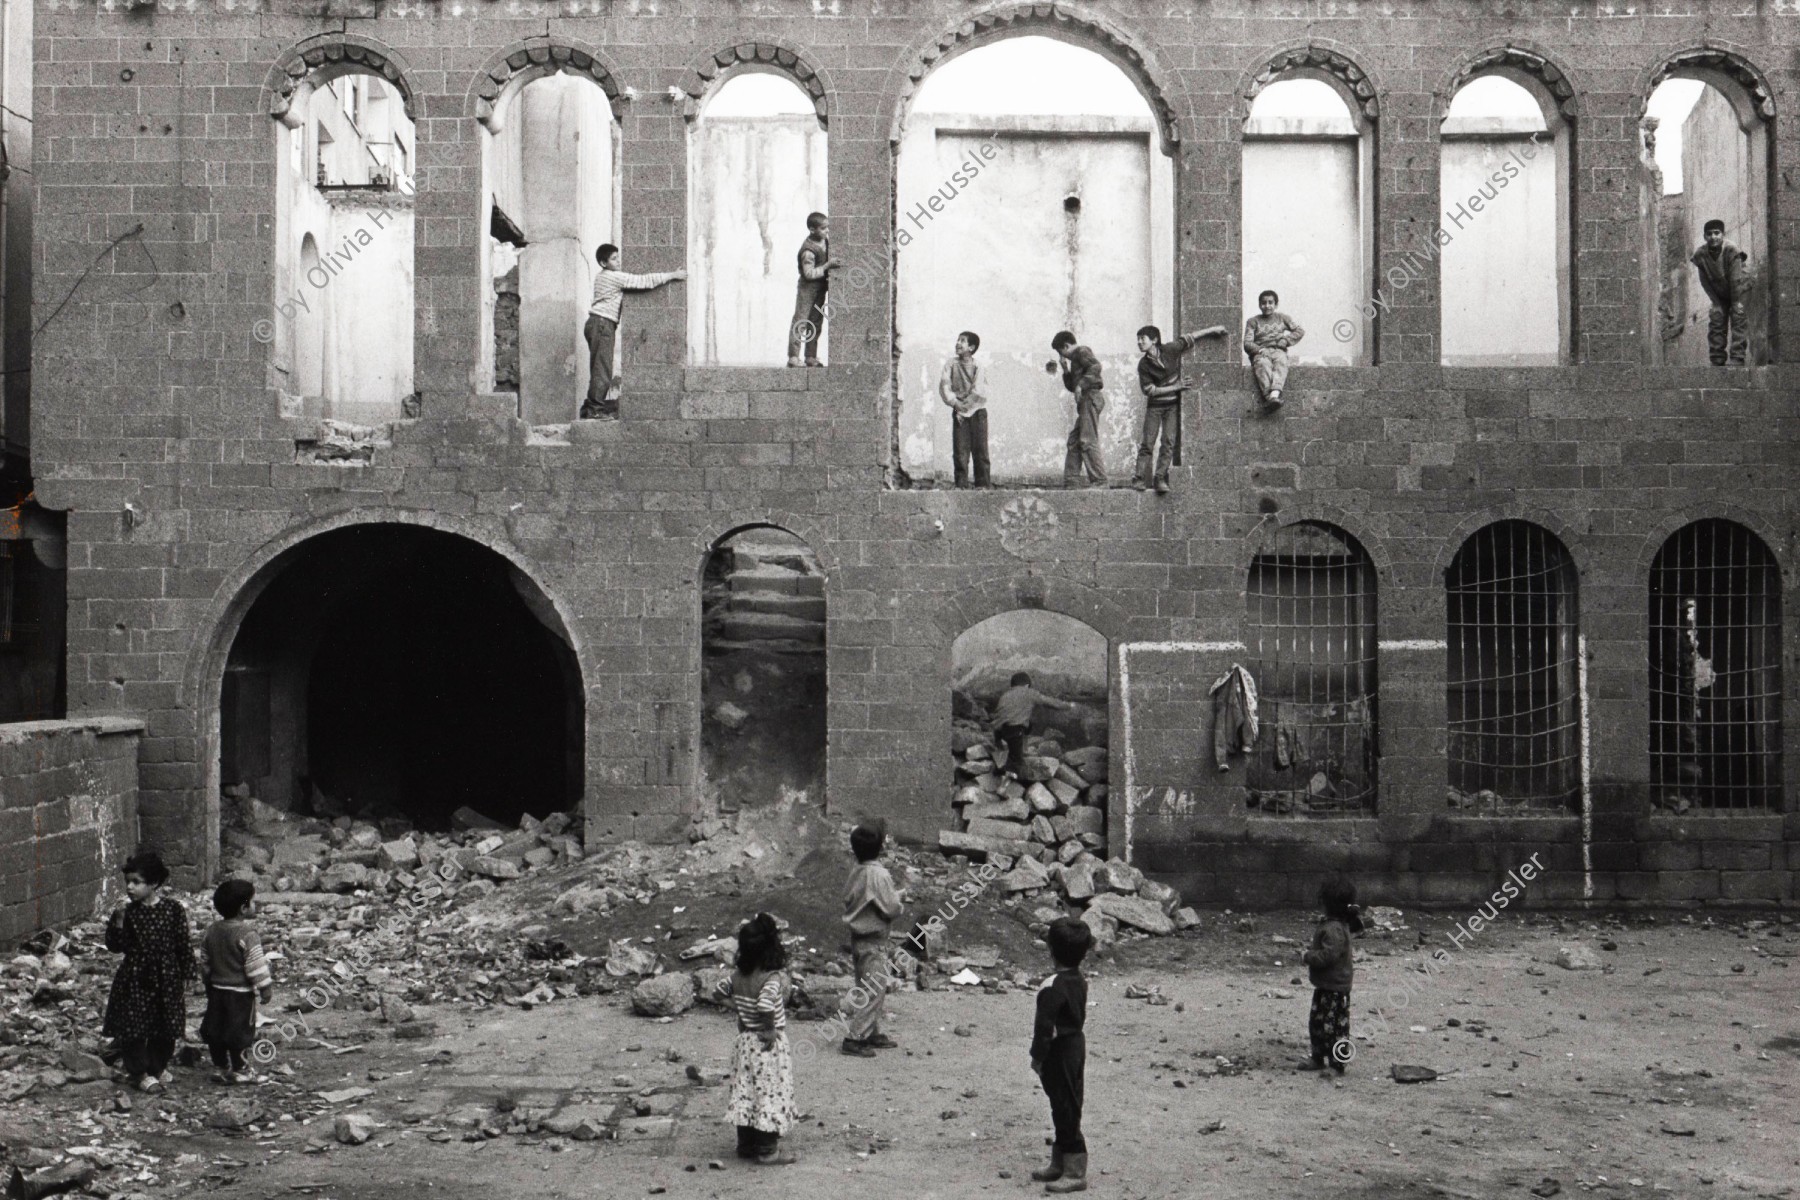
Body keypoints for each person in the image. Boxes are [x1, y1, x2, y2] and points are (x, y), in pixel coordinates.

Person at [102, 850, 194, 1093]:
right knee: (134, 1026)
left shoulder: (173, 910)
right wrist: (119, 920)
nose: (130, 888)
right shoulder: (127, 912)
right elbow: (115, 946)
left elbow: (182, 943)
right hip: (136, 977)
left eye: (137, 882)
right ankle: (139, 1072)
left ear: (154, 883)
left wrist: (187, 974)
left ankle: (156, 1067)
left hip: (167, 976)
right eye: (128, 882)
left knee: (166, 1024)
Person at [716, 913, 798, 1165]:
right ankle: (767, 1150)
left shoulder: (737, 978)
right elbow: (765, 1005)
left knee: (746, 1091)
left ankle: (746, 1145)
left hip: (745, 1044)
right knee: (769, 1093)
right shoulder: (770, 979)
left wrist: (739, 1009)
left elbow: (717, 992)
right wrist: (770, 1028)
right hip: (765, 1045)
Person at [583, 243, 686, 420]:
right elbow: (643, 281)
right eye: (614, 259)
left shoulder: (602, 277)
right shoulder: (611, 276)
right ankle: (594, 410)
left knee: (599, 368)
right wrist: (673, 275)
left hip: (597, 323)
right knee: (602, 370)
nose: (618, 261)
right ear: (603, 263)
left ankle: (591, 407)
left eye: (618, 257)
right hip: (602, 324)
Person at [1029, 917, 1094, 1193]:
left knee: (1065, 1107)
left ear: (1051, 950)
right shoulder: (1078, 979)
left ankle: (1075, 1170)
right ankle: (1060, 1162)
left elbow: (1044, 1029)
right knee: (1065, 1104)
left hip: (1059, 1052)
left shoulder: (1052, 986)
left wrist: (1037, 1058)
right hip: (1075, 1046)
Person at [1133, 323, 1226, 494]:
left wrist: (1212, 330)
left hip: (1171, 407)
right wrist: (1177, 386)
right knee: (1147, 443)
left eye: (1142, 339)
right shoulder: (1143, 365)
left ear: (1154, 340)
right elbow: (1150, 391)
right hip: (1155, 407)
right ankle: (1138, 479)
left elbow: (1190, 337)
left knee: (1168, 442)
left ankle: (1159, 478)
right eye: (1138, 339)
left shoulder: (1170, 349)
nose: (1139, 342)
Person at [199, 879, 274, 1085]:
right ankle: (241, 1069)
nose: (255, 905)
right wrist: (265, 988)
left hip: (216, 990)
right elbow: (256, 966)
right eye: (253, 901)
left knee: (217, 1029)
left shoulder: (212, 930)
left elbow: (204, 960)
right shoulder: (247, 935)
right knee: (239, 1032)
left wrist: (208, 980)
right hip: (239, 994)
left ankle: (220, 1067)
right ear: (243, 908)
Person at [840, 821, 905, 1057]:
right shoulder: (879, 874)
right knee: (874, 991)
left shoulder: (857, 870)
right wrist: (899, 900)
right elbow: (890, 908)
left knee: (867, 988)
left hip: (858, 939)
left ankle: (871, 1032)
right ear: (879, 847)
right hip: (874, 941)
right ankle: (855, 1037)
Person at [1298, 874, 1365, 1074]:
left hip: (1334, 988)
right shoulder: (1336, 923)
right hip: (1326, 986)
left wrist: (1307, 956)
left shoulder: (1334, 929)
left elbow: (1328, 956)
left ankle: (1337, 1065)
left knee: (1335, 1028)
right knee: (1318, 1024)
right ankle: (1318, 1057)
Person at [992, 671, 1076, 780]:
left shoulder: (1005, 695)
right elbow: (1050, 702)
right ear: (1027, 685)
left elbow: (998, 716)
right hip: (1015, 730)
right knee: (1017, 763)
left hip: (998, 732)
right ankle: (1004, 785)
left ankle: (1017, 752)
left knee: (1027, 725)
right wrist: (1069, 705)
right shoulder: (1029, 692)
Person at [1051, 331, 1107, 488]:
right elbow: (1072, 387)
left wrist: (1081, 385)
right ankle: (1071, 482)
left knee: (1087, 440)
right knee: (1075, 441)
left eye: (1061, 352)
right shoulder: (1074, 359)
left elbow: (1096, 366)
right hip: (1085, 401)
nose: (1062, 356)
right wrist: (1065, 370)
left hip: (1091, 397)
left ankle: (1100, 482)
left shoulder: (1081, 351)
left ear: (1066, 346)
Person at [1690, 218, 1749, 366]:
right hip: (1719, 291)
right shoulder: (1701, 255)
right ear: (1704, 237)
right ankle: (1717, 358)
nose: (1713, 237)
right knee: (1716, 317)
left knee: (1738, 317)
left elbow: (1736, 279)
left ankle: (1737, 357)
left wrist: (1736, 302)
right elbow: (1704, 282)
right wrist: (1716, 303)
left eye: (1717, 233)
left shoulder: (1731, 250)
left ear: (1723, 234)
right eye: (1709, 234)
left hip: (1738, 289)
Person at [939, 331, 990, 488]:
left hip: (977, 412)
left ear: (971, 347)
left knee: (980, 453)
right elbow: (944, 386)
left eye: (963, 341)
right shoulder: (950, 364)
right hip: (959, 411)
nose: (958, 343)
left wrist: (963, 410)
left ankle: (983, 489)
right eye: (958, 340)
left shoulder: (978, 366)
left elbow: (979, 391)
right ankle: (961, 489)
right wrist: (955, 404)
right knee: (960, 454)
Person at [788, 212, 836, 367]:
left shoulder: (826, 241)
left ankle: (810, 356)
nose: (827, 231)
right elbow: (808, 274)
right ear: (812, 230)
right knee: (801, 320)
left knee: (815, 322)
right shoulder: (808, 250)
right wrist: (827, 266)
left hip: (820, 289)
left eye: (827, 227)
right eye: (823, 228)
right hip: (807, 289)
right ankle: (793, 357)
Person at [1243, 290, 1304, 410]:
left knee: (1281, 361)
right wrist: (1259, 350)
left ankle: (1275, 393)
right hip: (1261, 352)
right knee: (1262, 364)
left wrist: (1286, 340)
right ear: (1259, 304)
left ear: (1276, 305)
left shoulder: (1282, 318)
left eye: (1270, 302)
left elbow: (1300, 331)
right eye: (1263, 303)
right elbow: (1247, 343)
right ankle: (1268, 397)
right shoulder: (1252, 321)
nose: (1267, 306)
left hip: (1278, 350)